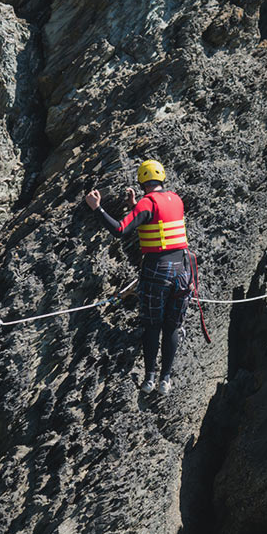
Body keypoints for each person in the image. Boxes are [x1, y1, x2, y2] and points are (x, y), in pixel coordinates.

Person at [85, 159, 192, 396]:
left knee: (152, 326)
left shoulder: (146, 203)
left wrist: (97, 208)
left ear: (142, 181)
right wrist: (135, 205)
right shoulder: (176, 199)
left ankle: (150, 378)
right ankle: (166, 379)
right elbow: (160, 221)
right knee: (172, 326)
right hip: (183, 271)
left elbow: (120, 230)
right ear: (162, 178)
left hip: (157, 273)